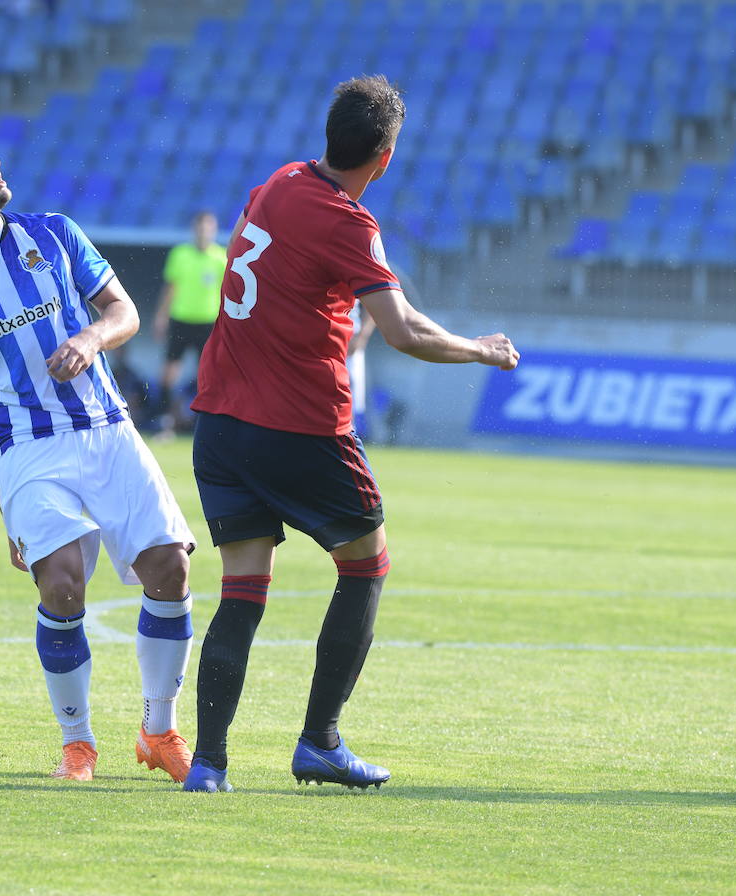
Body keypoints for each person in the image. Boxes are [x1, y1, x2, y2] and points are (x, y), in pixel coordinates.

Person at [182, 76, 519, 792]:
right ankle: (320, 741)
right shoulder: (348, 223)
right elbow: (402, 331)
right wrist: (478, 349)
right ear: (386, 158)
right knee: (366, 564)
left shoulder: (277, 182)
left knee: (242, 588)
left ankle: (208, 765)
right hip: (299, 427)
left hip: (218, 421)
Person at [0, 129, 198, 782]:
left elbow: (122, 310)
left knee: (170, 568)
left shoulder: (55, 235)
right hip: (25, 449)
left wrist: (92, 339)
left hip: (106, 428)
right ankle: (78, 744)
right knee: (62, 582)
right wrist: (3, 504)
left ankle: (159, 729)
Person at [152, 210, 224, 437]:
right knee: (169, 374)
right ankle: (165, 423)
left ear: (214, 230)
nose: (204, 231)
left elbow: (227, 292)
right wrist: (161, 317)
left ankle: (208, 424)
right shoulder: (180, 254)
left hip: (208, 322)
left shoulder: (221, 257)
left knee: (209, 375)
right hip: (181, 320)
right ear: (194, 229)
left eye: (208, 227)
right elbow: (170, 288)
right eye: (201, 227)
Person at [347, 301, 375, 438]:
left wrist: (362, 336)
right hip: (315, 342)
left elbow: (376, 298)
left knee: (347, 407)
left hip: (349, 343)